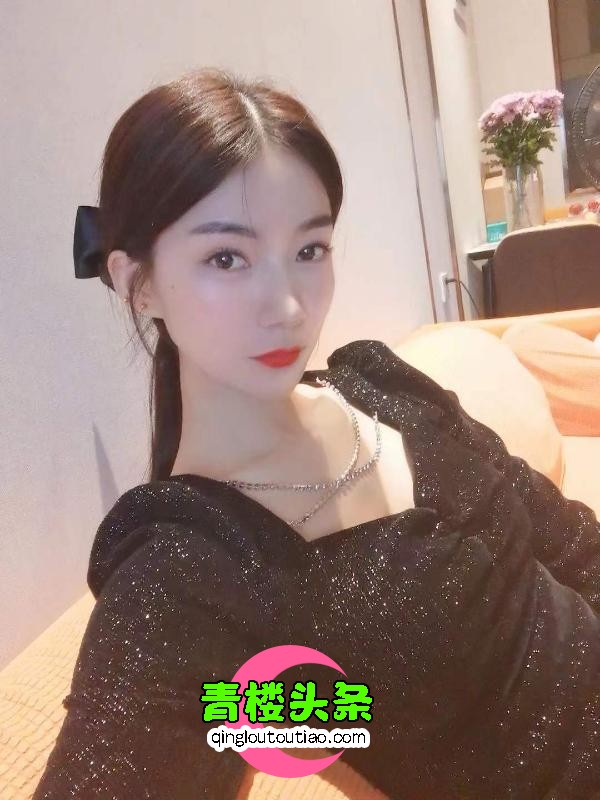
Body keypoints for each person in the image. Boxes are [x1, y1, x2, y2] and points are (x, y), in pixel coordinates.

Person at [33, 67, 600, 800]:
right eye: (227, 258)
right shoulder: (186, 572)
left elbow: (572, 544)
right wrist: (278, 720)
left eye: (310, 250)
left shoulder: (382, 385)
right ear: (139, 284)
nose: (289, 307)